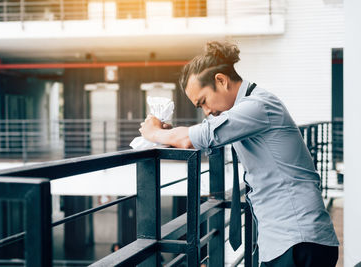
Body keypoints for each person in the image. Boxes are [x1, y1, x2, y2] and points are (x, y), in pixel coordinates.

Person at [139, 41, 339, 266]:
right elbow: (200, 135)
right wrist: (170, 135)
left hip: (297, 241)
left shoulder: (257, 106)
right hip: (289, 239)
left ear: (221, 81)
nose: (206, 112)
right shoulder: (248, 108)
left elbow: (194, 138)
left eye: (203, 102)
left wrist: (153, 132)